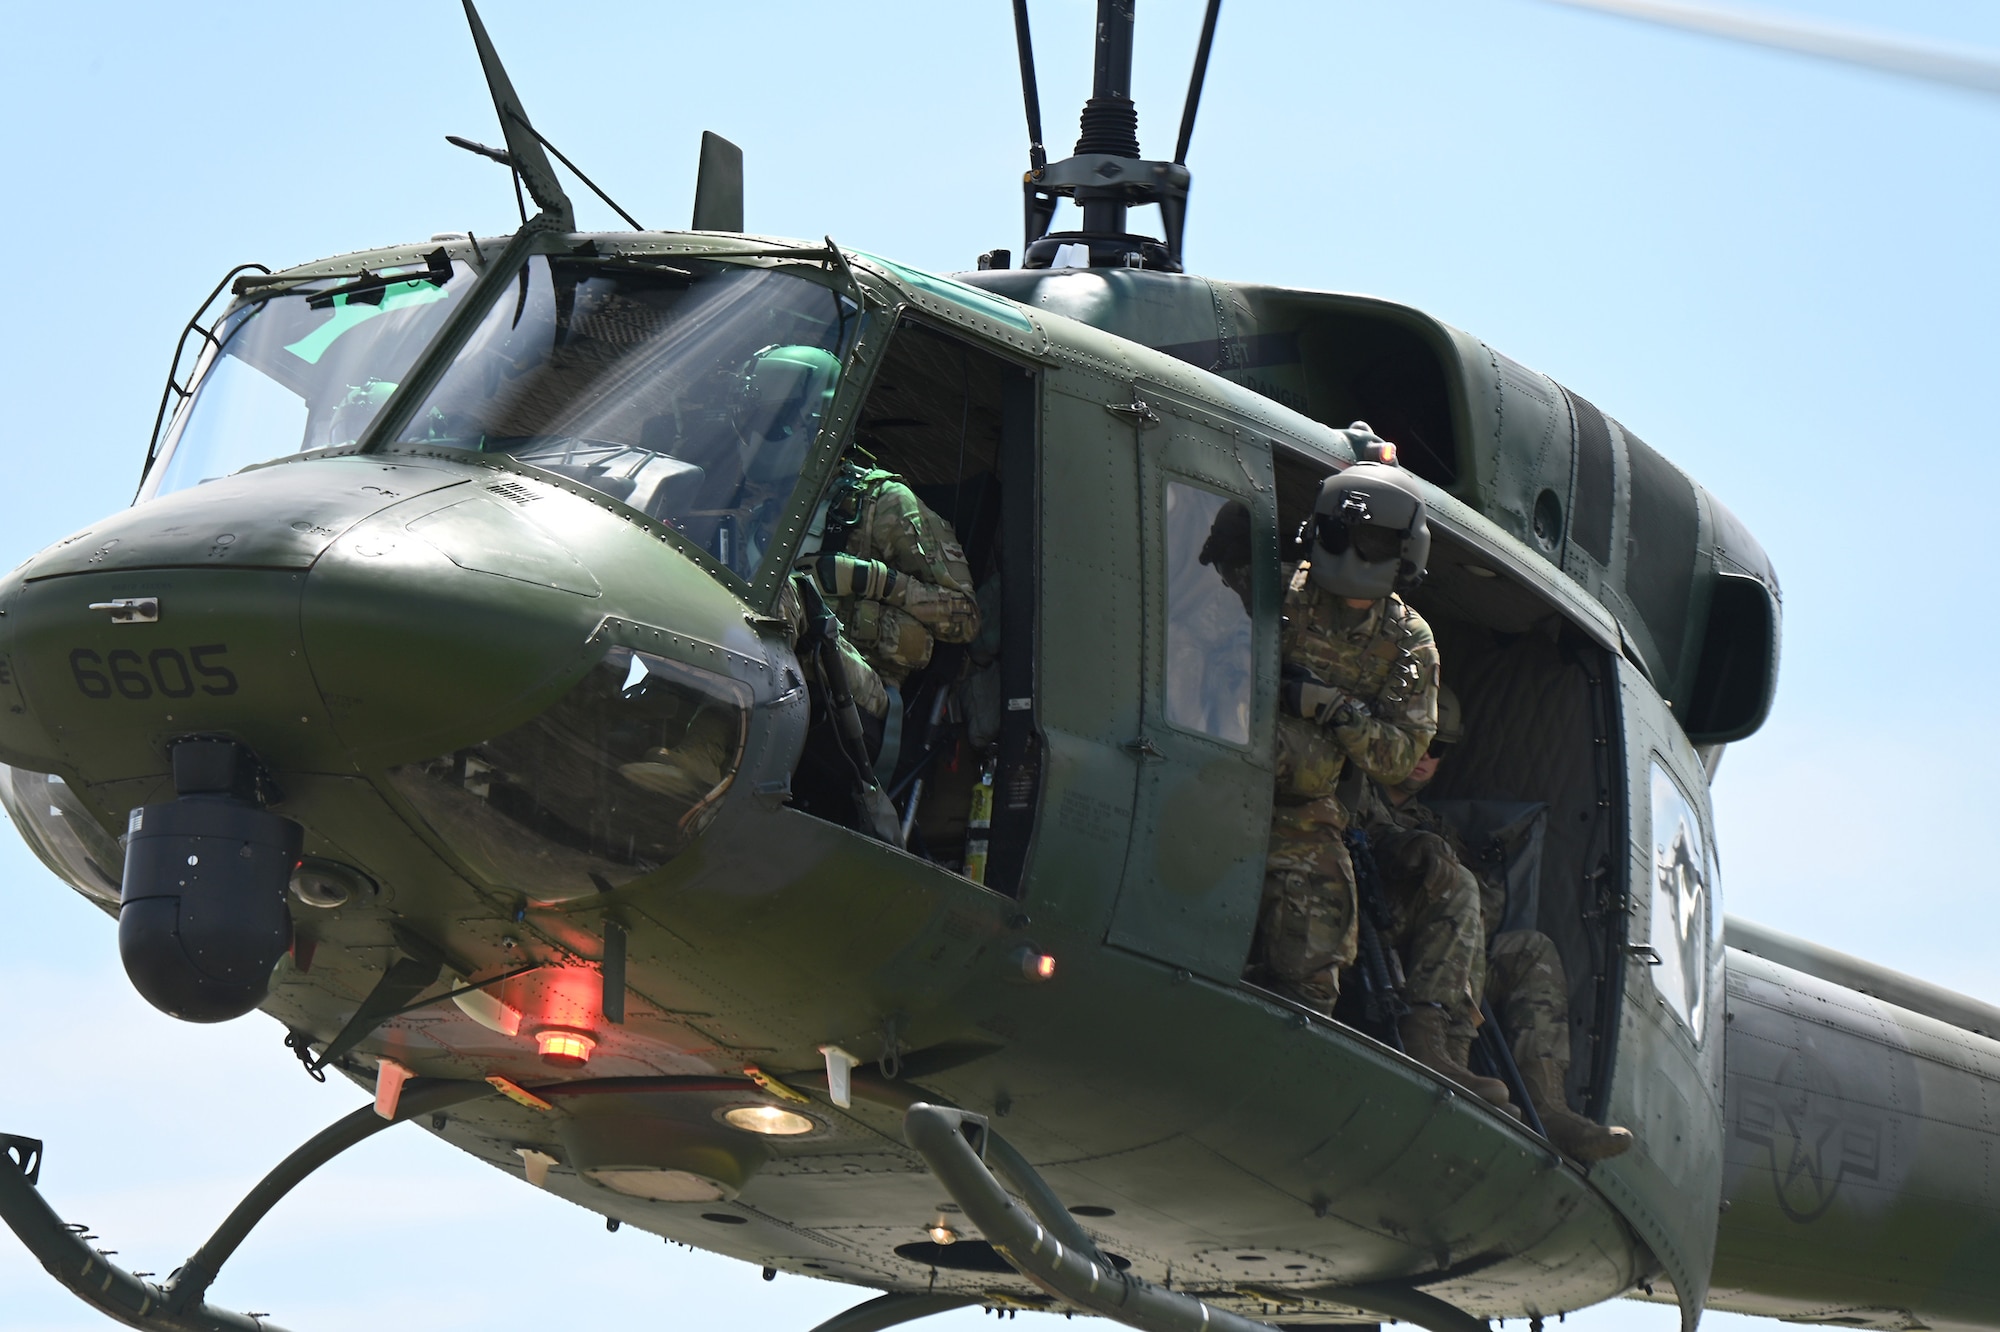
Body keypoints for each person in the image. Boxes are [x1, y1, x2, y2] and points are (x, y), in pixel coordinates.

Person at [1252, 461, 1513, 1104]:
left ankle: (1286, 1079)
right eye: (1343, 535)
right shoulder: (1276, 593)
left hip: (1307, 812)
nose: (1353, 553)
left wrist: (1331, 709)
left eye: (1371, 542)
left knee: (1317, 967)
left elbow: (1399, 757)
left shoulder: (1406, 643)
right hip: (1231, 774)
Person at [1366, 685, 1635, 1162]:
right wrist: (1413, 855)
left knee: (1530, 950)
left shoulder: (1433, 821)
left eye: (1440, 749)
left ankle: (1549, 1108)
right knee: (1460, 889)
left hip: (1441, 955)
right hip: (1376, 937)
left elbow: (1482, 906)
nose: (1427, 756)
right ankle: (1433, 1046)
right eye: (1421, 739)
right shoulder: (1355, 792)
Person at [798, 447, 981, 692]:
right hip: (787, 663)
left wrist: (869, 579)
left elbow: (965, 618)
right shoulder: (752, 497)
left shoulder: (885, 501)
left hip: (853, 684)